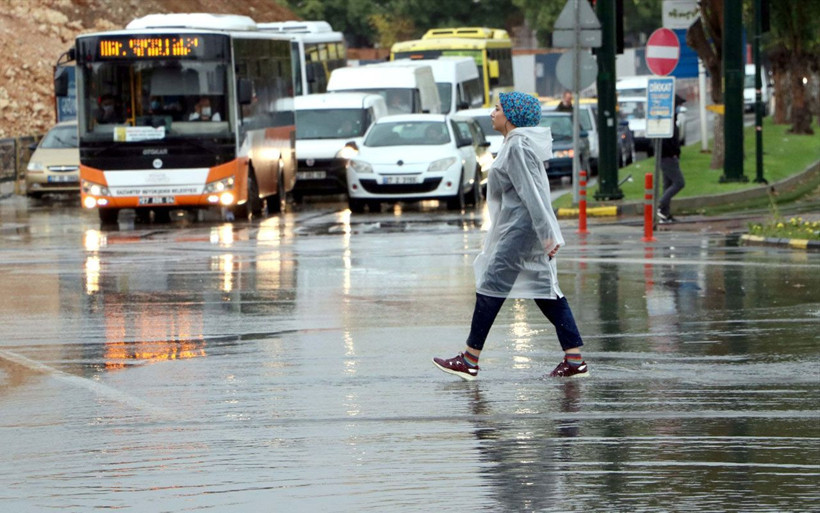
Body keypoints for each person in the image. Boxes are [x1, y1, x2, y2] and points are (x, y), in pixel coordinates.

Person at [432, 91, 589, 381]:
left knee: (491, 285)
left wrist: (547, 236)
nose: (493, 113)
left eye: (497, 109)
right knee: (546, 292)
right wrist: (546, 235)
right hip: (524, 229)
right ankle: (575, 360)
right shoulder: (516, 145)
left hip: (521, 231)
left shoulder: (517, 147)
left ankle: (469, 359)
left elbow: (533, 194)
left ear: (511, 118)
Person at [657, 95, 686, 223]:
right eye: (678, 105)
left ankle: (665, 213)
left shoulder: (670, 120)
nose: (679, 108)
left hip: (666, 156)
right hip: (668, 156)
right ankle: (661, 204)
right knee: (679, 183)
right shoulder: (667, 122)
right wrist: (674, 153)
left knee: (667, 184)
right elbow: (668, 141)